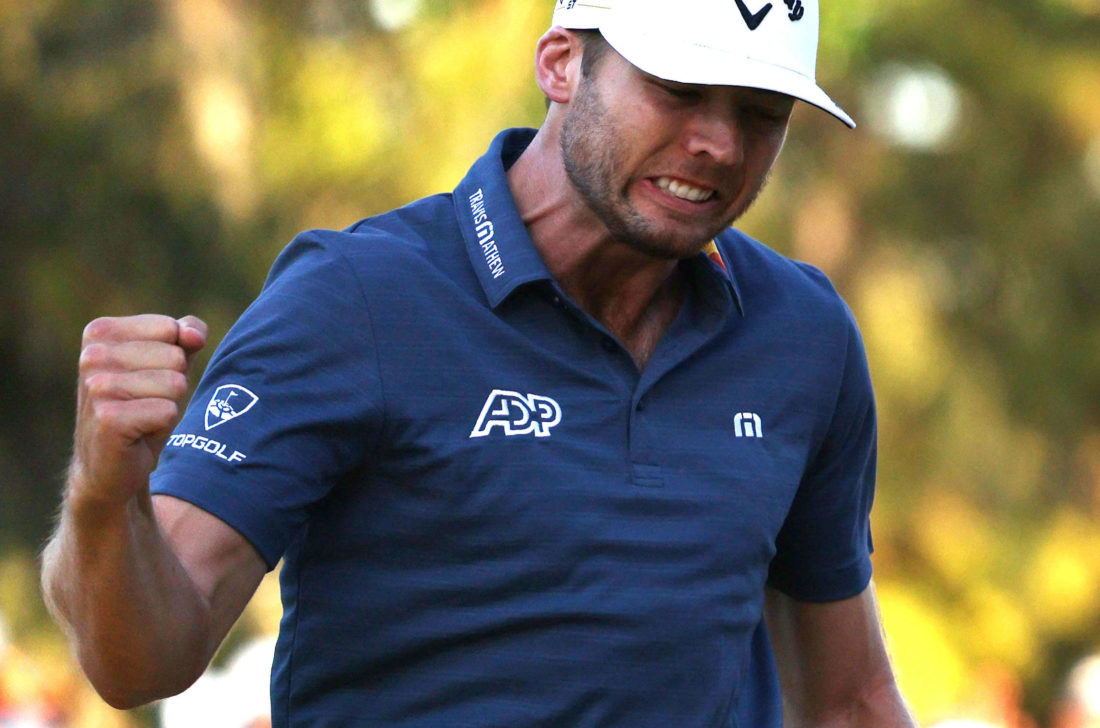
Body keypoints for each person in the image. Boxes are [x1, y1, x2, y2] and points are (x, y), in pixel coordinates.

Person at [41, 0, 917, 725]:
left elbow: (848, 702)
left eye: (761, 114)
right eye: (680, 90)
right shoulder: (356, 297)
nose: (719, 145)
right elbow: (142, 661)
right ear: (562, 64)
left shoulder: (802, 335)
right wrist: (103, 492)